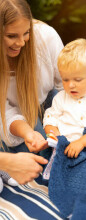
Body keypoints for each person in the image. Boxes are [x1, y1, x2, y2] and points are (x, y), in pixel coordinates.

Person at [0, 0, 64, 185]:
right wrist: (28, 133)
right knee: (41, 161)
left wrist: (64, 124)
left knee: (80, 143)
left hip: (51, 103)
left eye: (26, 33)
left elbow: (65, 86)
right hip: (14, 121)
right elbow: (4, 113)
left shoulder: (46, 37)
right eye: (11, 36)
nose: (21, 42)